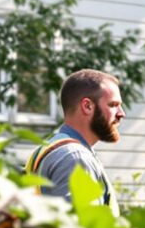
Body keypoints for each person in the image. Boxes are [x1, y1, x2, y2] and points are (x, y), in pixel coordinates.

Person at [29, 69, 125, 204]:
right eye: (113, 105)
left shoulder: (50, 147)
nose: (121, 114)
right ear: (87, 106)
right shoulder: (75, 157)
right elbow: (83, 223)